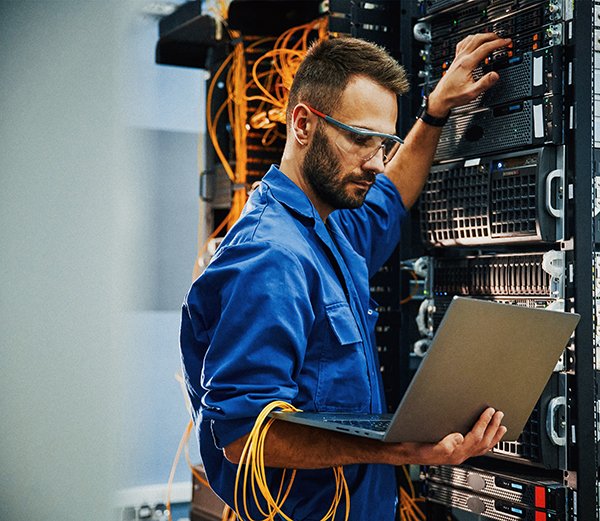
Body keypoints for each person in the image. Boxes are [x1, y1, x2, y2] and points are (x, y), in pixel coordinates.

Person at [180, 32, 511, 520]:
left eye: (384, 144)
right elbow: (243, 437)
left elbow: (390, 196)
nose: (376, 163)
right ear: (302, 124)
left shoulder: (327, 226)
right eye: (360, 140)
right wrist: (398, 450)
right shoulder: (271, 257)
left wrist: (435, 111)